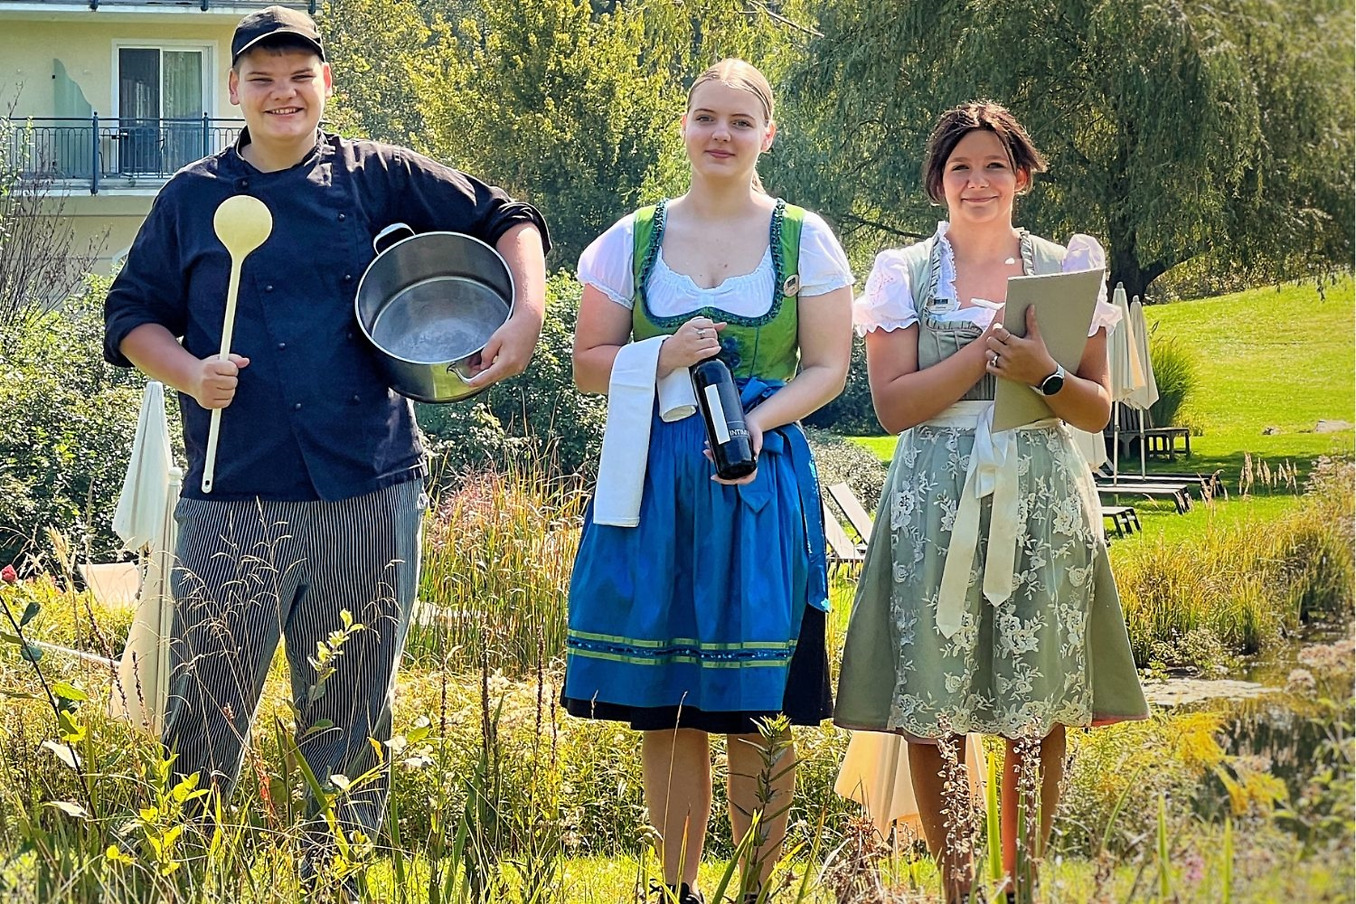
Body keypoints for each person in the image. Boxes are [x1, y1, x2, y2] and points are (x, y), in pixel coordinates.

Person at [101, 5, 548, 878]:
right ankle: (186, 884)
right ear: (234, 90)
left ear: (326, 84)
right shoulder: (194, 198)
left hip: (367, 490)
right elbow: (128, 318)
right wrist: (189, 372)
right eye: (262, 78)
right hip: (233, 498)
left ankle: (333, 883)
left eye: (300, 75)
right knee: (202, 716)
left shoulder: (377, 174)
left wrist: (527, 310)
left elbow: (508, 217)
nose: (283, 93)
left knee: (352, 724)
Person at [833, 101, 1148, 902]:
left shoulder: (1066, 268)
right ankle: (960, 884)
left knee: (1035, 699)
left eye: (995, 166)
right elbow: (894, 407)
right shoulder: (902, 272)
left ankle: (1026, 883)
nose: (979, 182)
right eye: (961, 168)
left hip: (1041, 495)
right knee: (931, 701)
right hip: (933, 497)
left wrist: (1041, 369)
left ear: (1022, 176)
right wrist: (982, 352)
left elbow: (1096, 408)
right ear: (938, 182)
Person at [561, 59, 853, 904]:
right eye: (705, 118)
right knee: (669, 700)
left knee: (754, 702)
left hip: (755, 488)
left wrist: (757, 424)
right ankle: (679, 888)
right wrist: (663, 356)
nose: (720, 135)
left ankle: (757, 887)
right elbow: (587, 365)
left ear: (767, 135)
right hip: (652, 490)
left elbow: (829, 367)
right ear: (683, 126)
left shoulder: (804, 237)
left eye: (739, 121)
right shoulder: (631, 238)